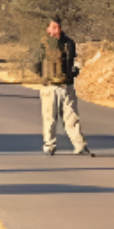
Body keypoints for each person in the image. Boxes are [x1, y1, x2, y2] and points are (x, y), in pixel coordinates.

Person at [26, 18, 92, 156]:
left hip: (67, 86)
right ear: (48, 29)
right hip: (50, 87)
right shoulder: (42, 44)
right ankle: (49, 145)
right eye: (53, 27)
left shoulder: (69, 43)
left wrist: (74, 71)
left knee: (72, 118)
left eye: (58, 27)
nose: (56, 30)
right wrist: (44, 74)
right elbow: (33, 62)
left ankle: (80, 145)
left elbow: (76, 60)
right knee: (49, 118)